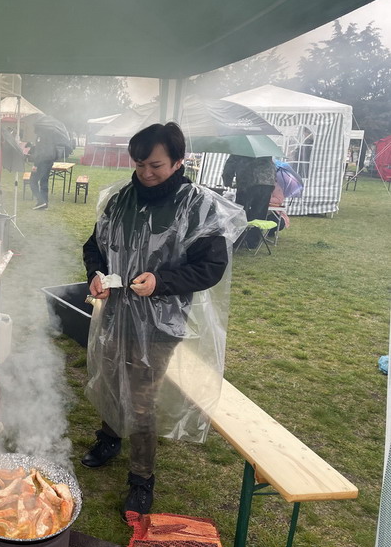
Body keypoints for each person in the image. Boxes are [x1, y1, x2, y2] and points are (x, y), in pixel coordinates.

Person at [81, 122, 244, 518]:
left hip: (160, 322)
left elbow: (211, 267)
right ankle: (109, 437)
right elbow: (94, 246)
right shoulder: (120, 200)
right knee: (110, 376)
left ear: (178, 161)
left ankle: (141, 478)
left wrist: (161, 282)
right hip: (116, 311)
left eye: (155, 165)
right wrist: (96, 274)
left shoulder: (197, 206)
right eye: (139, 165)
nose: (146, 173)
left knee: (141, 399)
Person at [221, 155, 276, 248]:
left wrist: (227, 181)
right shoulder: (265, 151)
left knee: (241, 212)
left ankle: (238, 241)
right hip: (267, 182)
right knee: (259, 214)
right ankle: (253, 242)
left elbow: (229, 166)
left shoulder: (241, 150)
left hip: (247, 181)